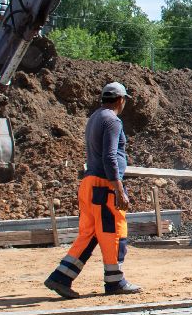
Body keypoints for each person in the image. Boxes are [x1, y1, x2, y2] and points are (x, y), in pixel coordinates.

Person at [44, 81, 141, 298]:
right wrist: (119, 189)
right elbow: (109, 157)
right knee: (114, 233)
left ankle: (61, 277)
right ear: (120, 100)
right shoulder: (113, 121)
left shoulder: (95, 117)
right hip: (104, 186)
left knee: (89, 235)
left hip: (89, 185)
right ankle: (115, 282)